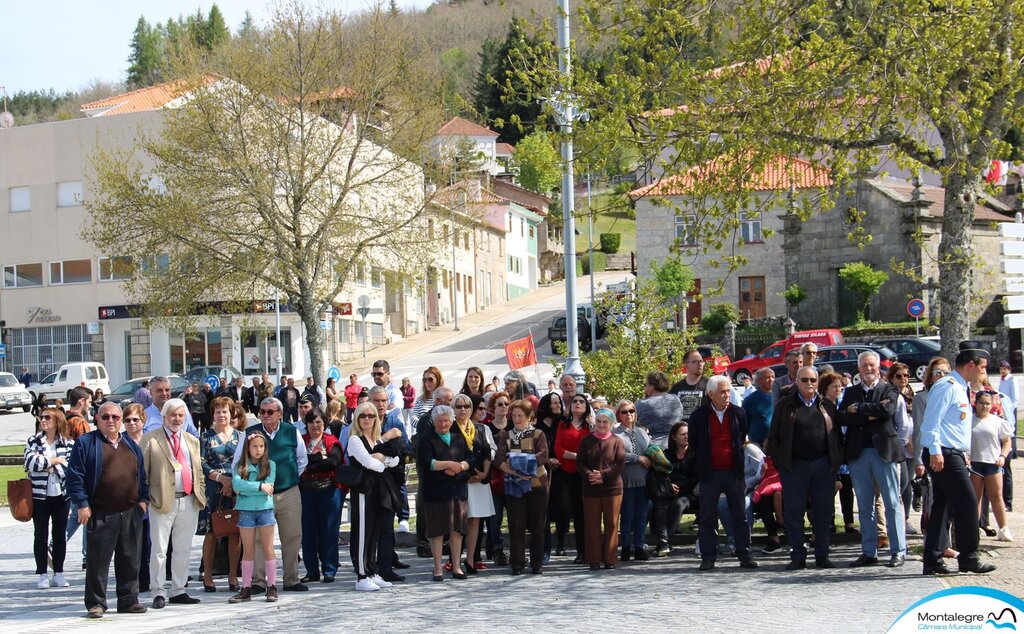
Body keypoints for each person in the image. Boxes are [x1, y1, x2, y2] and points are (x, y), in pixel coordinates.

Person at [920, 341, 997, 576]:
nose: (984, 372)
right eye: (982, 367)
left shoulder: (960, 386)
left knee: (944, 507)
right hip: (942, 452)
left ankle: (932, 559)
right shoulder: (948, 386)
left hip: (951, 453)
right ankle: (969, 557)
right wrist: (935, 451)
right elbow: (931, 421)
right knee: (968, 502)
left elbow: (953, 426)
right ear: (971, 365)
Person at [66, 402, 149, 618]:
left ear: (121, 420)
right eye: (105, 417)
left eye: (115, 417)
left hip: (130, 512)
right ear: (97, 418)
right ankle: (96, 603)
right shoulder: (86, 443)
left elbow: (142, 476)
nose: (110, 420)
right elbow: (75, 477)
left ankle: (129, 600)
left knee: (130, 559)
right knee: (98, 562)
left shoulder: (131, 445)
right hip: (101, 512)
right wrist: (82, 504)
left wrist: (143, 501)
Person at [765, 366, 842, 570]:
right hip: (795, 466)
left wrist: (834, 463)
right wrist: (781, 463)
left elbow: (836, 437)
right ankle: (798, 555)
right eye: (805, 379)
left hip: (823, 466)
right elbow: (773, 437)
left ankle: (822, 555)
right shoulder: (785, 406)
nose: (809, 383)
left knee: (823, 513)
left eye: (813, 380)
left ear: (818, 382)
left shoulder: (827, 405)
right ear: (796, 381)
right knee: (793, 513)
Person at [232, 397, 309, 592]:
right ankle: (258, 581)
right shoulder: (249, 434)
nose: (265, 415)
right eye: (262, 411)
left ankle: (291, 579)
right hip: (259, 495)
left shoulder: (292, 432)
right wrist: (253, 485)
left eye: (270, 412)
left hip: (288, 492)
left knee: (292, 536)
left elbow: (302, 461)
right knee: (258, 539)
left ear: (280, 414)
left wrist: (287, 479)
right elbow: (237, 464)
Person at [838, 350, 906, 568]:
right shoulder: (850, 391)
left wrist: (858, 409)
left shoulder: (889, 389)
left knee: (892, 503)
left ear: (879, 367)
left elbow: (888, 410)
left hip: (883, 452)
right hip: (858, 453)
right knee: (865, 506)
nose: (868, 369)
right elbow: (842, 416)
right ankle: (869, 551)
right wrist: (871, 415)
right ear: (859, 368)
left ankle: (898, 551)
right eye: (864, 365)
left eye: (872, 365)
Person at [687, 375, 758, 571]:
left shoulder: (738, 413)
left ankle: (745, 554)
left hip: (733, 472)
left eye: (728, 391)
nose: (727, 395)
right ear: (711, 394)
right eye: (722, 391)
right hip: (710, 474)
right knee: (707, 516)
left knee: (740, 515)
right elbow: (693, 442)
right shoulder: (699, 416)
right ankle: (708, 556)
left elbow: (741, 437)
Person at [142, 398, 207, 608]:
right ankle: (158, 590)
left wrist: (200, 493)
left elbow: (198, 470)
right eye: (173, 415)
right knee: (159, 549)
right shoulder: (151, 439)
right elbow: (142, 473)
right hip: (162, 501)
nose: (177, 419)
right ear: (164, 417)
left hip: (188, 500)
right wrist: (146, 499)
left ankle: (178, 589)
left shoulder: (191, 440)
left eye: (180, 415)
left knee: (183, 548)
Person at [348, 402, 401, 591]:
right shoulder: (355, 440)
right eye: (363, 416)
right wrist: (382, 460)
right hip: (363, 491)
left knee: (374, 533)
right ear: (357, 418)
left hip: (378, 492)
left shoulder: (376, 440)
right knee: (363, 533)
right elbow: (372, 464)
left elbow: (395, 460)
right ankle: (362, 575)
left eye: (371, 416)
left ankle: (371, 571)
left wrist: (383, 459)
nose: (367, 419)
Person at [417, 404, 474, 581]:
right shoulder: (427, 439)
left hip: (457, 490)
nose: (443, 424)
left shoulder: (458, 438)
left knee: (457, 529)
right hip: (436, 491)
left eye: (446, 421)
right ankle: (437, 568)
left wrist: (460, 467)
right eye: (439, 421)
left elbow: (470, 458)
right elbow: (428, 462)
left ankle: (456, 566)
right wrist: (449, 464)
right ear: (433, 422)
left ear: (451, 421)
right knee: (437, 530)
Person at [495, 400, 550, 575]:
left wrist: (527, 465)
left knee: (537, 526)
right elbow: (499, 458)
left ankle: (537, 563)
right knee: (516, 526)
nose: (517, 419)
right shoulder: (507, 435)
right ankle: (517, 564)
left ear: (529, 417)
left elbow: (543, 455)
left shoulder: (538, 434)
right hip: (514, 485)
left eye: (520, 416)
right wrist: (516, 472)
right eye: (514, 415)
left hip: (536, 485)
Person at [25, 406, 74, 589]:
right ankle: (42, 573)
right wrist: (55, 461)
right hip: (40, 495)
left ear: (57, 421)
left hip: (61, 495)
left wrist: (48, 466)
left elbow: (70, 468)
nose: (42, 420)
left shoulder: (68, 443)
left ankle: (59, 572)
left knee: (60, 534)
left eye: (47, 417)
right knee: (40, 535)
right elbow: (30, 462)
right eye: (41, 417)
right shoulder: (34, 441)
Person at [228, 430, 279, 603]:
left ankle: (272, 587)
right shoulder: (240, 466)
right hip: (246, 510)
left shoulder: (270, 465)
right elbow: (236, 484)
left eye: (261, 446)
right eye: (254, 446)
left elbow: (269, 487)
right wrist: (259, 487)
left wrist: (246, 489)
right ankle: (246, 588)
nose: (258, 449)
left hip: (265, 510)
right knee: (248, 550)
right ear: (247, 448)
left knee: (268, 548)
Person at [200, 397, 243, 593]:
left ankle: (233, 575)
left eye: (225, 411)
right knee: (212, 532)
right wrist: (220, 479)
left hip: (236, 488)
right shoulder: (206, 437)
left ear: (231, 413)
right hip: (213, 487)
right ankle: (208, 575)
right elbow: (201, 462)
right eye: (218, 411)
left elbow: (245, 462)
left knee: (235, 531)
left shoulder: (240, 436)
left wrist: (232, 482)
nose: (221, 415)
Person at [299, 408, 344, 582]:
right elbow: (297, 461)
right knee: (308, 532)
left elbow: (333, 462)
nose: (315, 425)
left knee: (329, 530)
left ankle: (329, 569)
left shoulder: (331, 440)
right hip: (306, 491)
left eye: (318, 422)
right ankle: (312, 571)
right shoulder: (301, 441)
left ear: (324, 423)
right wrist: (319, 460)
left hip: (328, 491)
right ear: (307, 424)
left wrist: (310, 464)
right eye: (311, 422)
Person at [578, 408, 626, 570]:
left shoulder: (617, 441)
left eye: (605, 422)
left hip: (612, 489)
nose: (601, 424)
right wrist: (590, 475)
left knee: (611, 524)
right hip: (590, 489)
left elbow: (619, 464)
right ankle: (593, 559)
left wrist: (603, 475)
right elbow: (580, 463)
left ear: (611, 424)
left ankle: (610, 559)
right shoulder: (586, 441)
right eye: (598, 421)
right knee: (592, 524)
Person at [452, 393, 494, 575]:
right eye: (459, 406)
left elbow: (486, 450)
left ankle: (470, 559)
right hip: (459, 480)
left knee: (475, 521)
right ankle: (455, 563)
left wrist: (484, 473)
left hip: (478, 481)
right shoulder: (450, 428)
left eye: (466, 406)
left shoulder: (480, 428)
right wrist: (465, 475)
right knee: (459, 522)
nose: (463, 410)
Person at [969, 391, 1014, 541]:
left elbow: (1007, 441)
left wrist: (1002, 456)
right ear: (976, 403)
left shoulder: (997, 421)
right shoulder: (969, 420)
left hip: (992, 463)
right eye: (982, 403)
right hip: (974, 462)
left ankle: (1003, 528)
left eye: (988, 404)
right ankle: (974, 528)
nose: (984, 406)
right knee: (975, 497)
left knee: (996, 496)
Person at [554, 393, 592, 564]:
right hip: (567, 473)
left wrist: (576, 456)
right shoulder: (563, 425)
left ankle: (586, 550)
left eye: (581, 401)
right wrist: (577, 456)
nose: (577, 403)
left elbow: (592, 450)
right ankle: (572, 548)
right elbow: (558, 448)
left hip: (585, 474)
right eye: (575, 401)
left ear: (586, 406)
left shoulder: (590, 427)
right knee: (569, 511)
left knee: (584, 514)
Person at [613, 399, 651, 561]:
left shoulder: (642, 432)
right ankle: (626, 547)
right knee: (627, 514)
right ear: (618, 415)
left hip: (643, 480)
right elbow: (617, 455)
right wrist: (637, 458)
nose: (628, 414)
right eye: (624, 412)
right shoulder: (616, 434)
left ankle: (639, 546)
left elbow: (650, 449)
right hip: (626, 480)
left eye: (631, 411)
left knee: (641, 515)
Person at [121, 404, 151, 591]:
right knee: (131, 542)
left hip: (149, 496)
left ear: (143, 421)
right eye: (127, 420)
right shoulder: (121, 441)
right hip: (128, 498)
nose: (131, 423)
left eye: (135, 420)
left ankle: (146, 579)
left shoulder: (150, 439)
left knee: (148, 542)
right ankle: (131, 580)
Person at [653, 422, 695, 556]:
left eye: (688, 434)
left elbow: (696, 477)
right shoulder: (666, 454)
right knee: (660, 504)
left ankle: (666, 542)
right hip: (668, 491)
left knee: (678, 504)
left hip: (689, 493)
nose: (686, 437)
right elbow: (660, 474)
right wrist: (669, 486)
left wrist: (680, 487)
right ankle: (664, 541)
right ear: (673, 437)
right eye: (683, 434)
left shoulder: (695, 454)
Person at [888, 362, 918, 535]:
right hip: (900, 446)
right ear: (892, 378)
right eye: (899, 376)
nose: (903, 379)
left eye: (906, 375)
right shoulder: (891, 395)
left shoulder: (912, 395)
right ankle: (897, 520)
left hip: (913, 447)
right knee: (902, 482)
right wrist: (906, 442)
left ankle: (905, 518)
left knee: (908, 486)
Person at [483, 392, 512, 565]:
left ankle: (515, 548)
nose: (503, 407)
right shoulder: (487, 427)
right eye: (500, 404)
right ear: (493, 408)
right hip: (495, 478)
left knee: (515, 516)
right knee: (495, 517)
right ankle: (497, 548)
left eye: (506, 404)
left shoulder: (514, 425)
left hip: (513, 478)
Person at [636, 370, 685, 448]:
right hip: (675, 444)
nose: (645, 387)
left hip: (653, 446)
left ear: (652, 386)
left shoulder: (641, 404)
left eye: (646, 384)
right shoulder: (676, 399)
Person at [669, 349, 710, 423]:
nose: (699, 364)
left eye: (701, 361)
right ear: (686, 365)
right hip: (683, 432)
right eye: (694, 362)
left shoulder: (709, 384)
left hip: (702, 431)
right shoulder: (677, 387)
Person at [997, 360, 1017, 512]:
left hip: (1008, 413)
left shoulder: (1011, 381)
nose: (1002, 371)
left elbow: (1013, 400)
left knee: (1006, 469)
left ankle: (1007, 502)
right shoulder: (1000, 383)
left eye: (1005, 368)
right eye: (1001, 368)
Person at [743, 367, 775, 447]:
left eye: (773, 377)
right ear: (759, 380)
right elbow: (744, 423)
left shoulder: (779, 396)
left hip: (777, 442)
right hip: (758, 443)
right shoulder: (750, 400)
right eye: (767, 377)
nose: (771, 380)